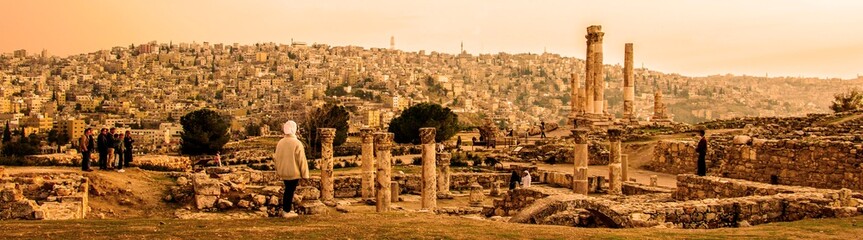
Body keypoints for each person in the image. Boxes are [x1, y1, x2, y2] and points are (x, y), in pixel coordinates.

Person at [273, 120, 309, 218]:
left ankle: (287, 209)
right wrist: (305, 175)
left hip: (283, 172)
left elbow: (276, 158)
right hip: (294, 172)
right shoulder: (297, 143)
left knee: (288, 190)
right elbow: (302, 160)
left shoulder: (280, 142)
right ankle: (286, 211)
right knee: (289, 191)